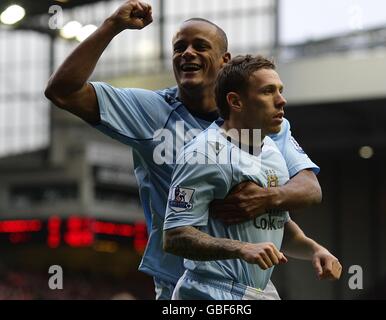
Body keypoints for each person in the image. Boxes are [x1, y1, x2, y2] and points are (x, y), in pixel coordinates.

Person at [44, 0, 322, 299]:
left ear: (224, 60)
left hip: (248, 282)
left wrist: (265, 198)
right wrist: (112, 26)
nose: (187, 53)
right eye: (179, 48)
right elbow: (62, 91)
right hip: (182, 283)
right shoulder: (150, 111)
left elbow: (309, 188)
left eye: (200, 46)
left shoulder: (261, 121)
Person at [163, 55, 342, 300]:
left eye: (280, 90)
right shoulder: (201, 154)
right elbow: (174, 236)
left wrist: (314, 250)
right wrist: (242, 249)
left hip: (259, 292)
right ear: (236, 101)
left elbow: (276, 225)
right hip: (209, 290)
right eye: (268, 92)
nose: (281, 100)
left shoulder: (272, 151)